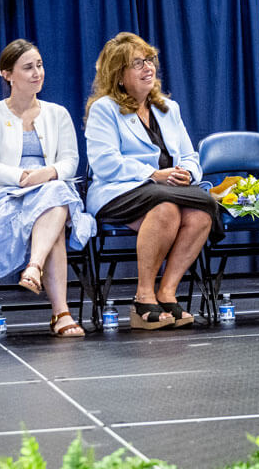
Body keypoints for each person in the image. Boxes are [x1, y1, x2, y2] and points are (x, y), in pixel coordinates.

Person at [84, 32, 220, 330]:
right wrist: (152, 174)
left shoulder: (168, 109)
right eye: (137, 64)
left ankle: (166, 291)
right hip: (119, 190)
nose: (148, 68)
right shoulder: (104, 109)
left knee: (198, 214)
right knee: (168, 205)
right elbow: (105, 163)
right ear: (119, 76)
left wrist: (187, 173)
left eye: (149, 60)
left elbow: (190, 156)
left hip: (169, 191)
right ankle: (142, 295)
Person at [0, 39, 95, 338]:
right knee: (55, 208)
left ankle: (34, 268)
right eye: (28, 68)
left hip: (50, 191)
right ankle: (61, 313)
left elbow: (70, 160)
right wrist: (24, 177)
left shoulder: (57, 113)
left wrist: (49, 172)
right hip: (3, 195)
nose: (37, 73)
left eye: (39, 65)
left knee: (56, 195)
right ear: (7, 74)